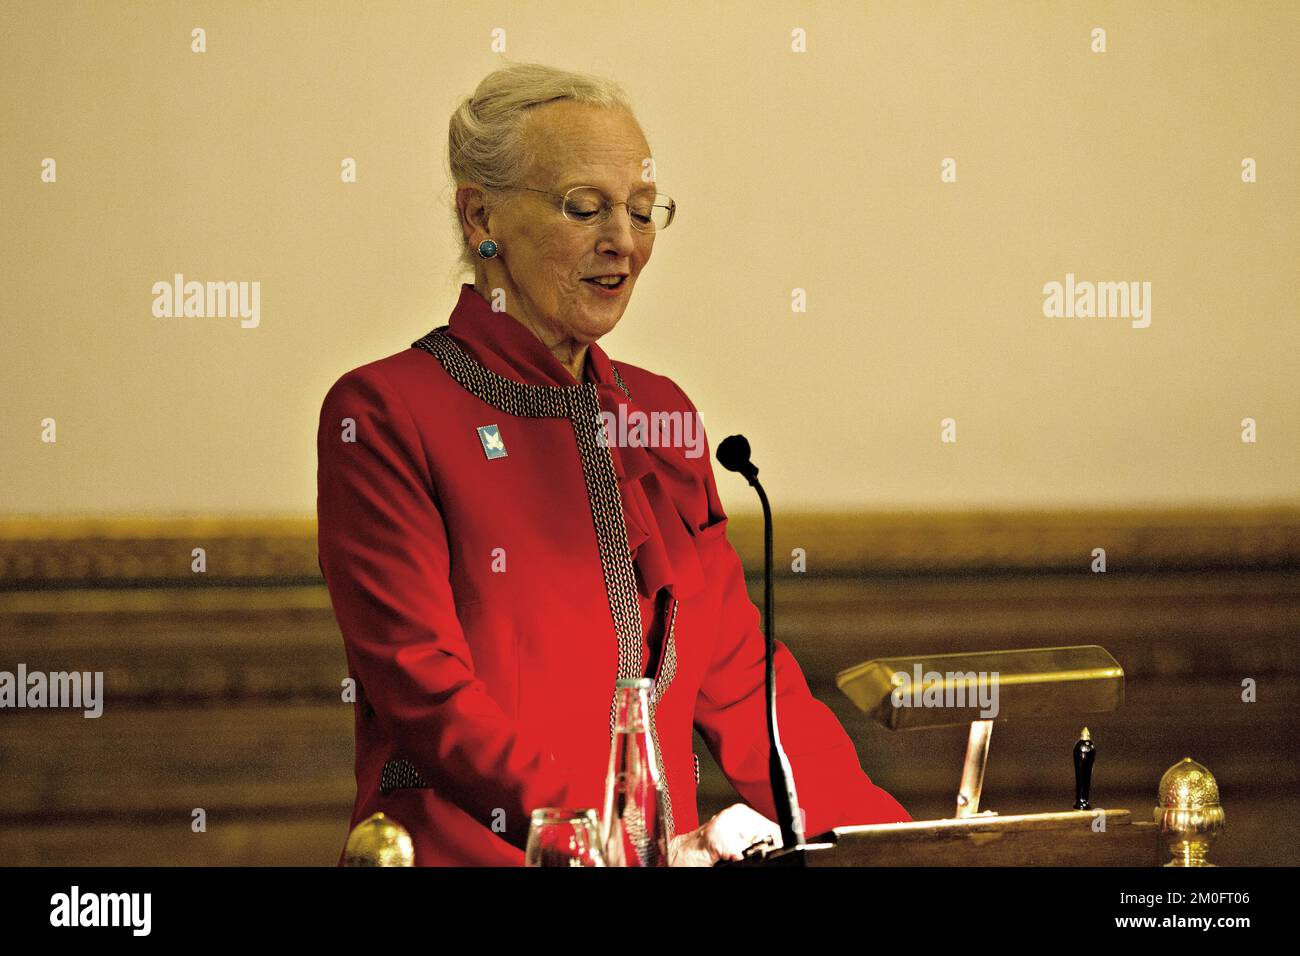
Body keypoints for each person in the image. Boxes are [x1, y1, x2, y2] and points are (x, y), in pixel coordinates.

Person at [316, 62, 910, 867]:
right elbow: (424, 687)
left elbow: (739, 681)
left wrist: (886, 843)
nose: (622, 243)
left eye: (640, 211)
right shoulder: (387, 411)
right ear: (479, 213)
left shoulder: (660, 415)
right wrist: (595, 840)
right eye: (584, 208)